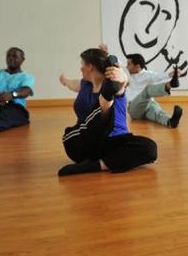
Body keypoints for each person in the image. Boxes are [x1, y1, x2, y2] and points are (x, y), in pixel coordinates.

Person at [57, 48, 157, 176]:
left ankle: (97, 165)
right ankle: (111, 161)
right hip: (89, 141)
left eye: (82, 65)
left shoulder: (113, 83)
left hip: (116, 142)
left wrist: (123, 78)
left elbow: (122, 83)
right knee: (70, 137)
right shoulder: (84, 85)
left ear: (90, 66)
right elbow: (72, 84)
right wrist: (64, 81)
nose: (80, 69)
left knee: (150, 148)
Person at [125, 53, 183, 129]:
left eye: (129, 64)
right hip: (134, 109)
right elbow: (117, 62)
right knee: (147, 90)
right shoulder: (126, 73)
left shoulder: (147, 74)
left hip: (148, 106)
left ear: (137, 67)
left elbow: (158, 76)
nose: (126, 66)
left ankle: (171, 121)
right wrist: (104, 52)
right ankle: (169, 85)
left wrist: (171, 74)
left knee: (158, 112)